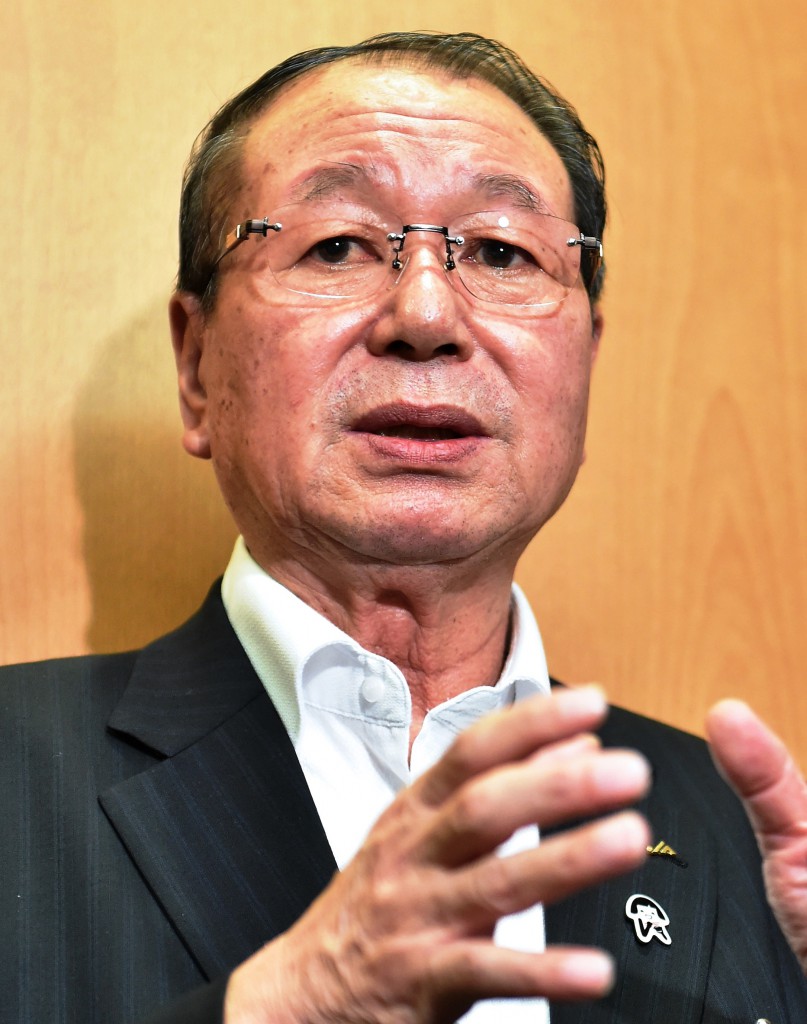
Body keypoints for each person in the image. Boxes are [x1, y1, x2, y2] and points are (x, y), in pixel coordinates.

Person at [1, 30, 805, 1024]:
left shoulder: (743, 839)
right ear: (197, 363)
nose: (425, 313)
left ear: (585, 369)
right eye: (337, 243)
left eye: (504, 251)